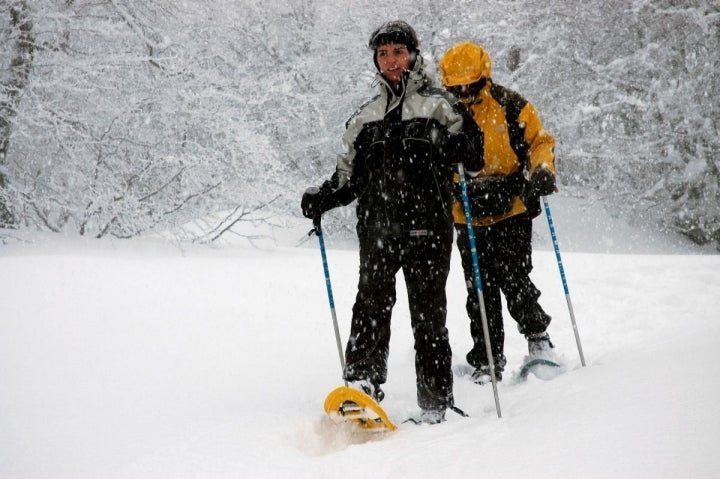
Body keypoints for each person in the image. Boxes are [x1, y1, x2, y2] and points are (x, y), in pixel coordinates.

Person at [301, 22, 483, 423]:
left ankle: (436, 402)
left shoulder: (441, 105)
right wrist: (322, 197)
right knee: (369, 307)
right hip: (378, 230)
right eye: (383, 54)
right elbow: (348, 179)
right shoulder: (365, 118)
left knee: (428, 315)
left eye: (398, 52)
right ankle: (362, 386)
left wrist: (457, 144)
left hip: (428, 230)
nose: (391, 61)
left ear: (414, 55)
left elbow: (474, 157)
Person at [438, 41, 557, 385]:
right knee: (479, 288)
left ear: (483, 77)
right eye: (455, 85)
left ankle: (538, 338)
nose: (463, 91)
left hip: (511, 208)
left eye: (469, 83)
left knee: (514, 277)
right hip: (466, 213)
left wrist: (543, 170)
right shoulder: (443, 113)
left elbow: (540, 142)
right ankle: (487, 358)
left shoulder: (510, 105)